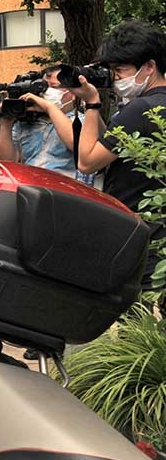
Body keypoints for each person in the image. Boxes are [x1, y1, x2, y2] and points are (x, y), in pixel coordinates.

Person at [72, 19, 166, 292]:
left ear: (149, 66)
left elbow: (88, 162)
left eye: (120, 69)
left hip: (141, 237)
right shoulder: (154, 106)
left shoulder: (140, 109)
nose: (115, 78)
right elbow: (111, 144)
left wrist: (91, 104)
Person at [0, 66, 81, 178]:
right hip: (30, 189)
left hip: (64, 190)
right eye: (45, 86)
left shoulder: (81, 120)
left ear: (74, 94)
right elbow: (7, 163)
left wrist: (49, 108)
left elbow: (76, 145)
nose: (47, 91)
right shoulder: (27, 121)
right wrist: (6, 124)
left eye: (54, 87)